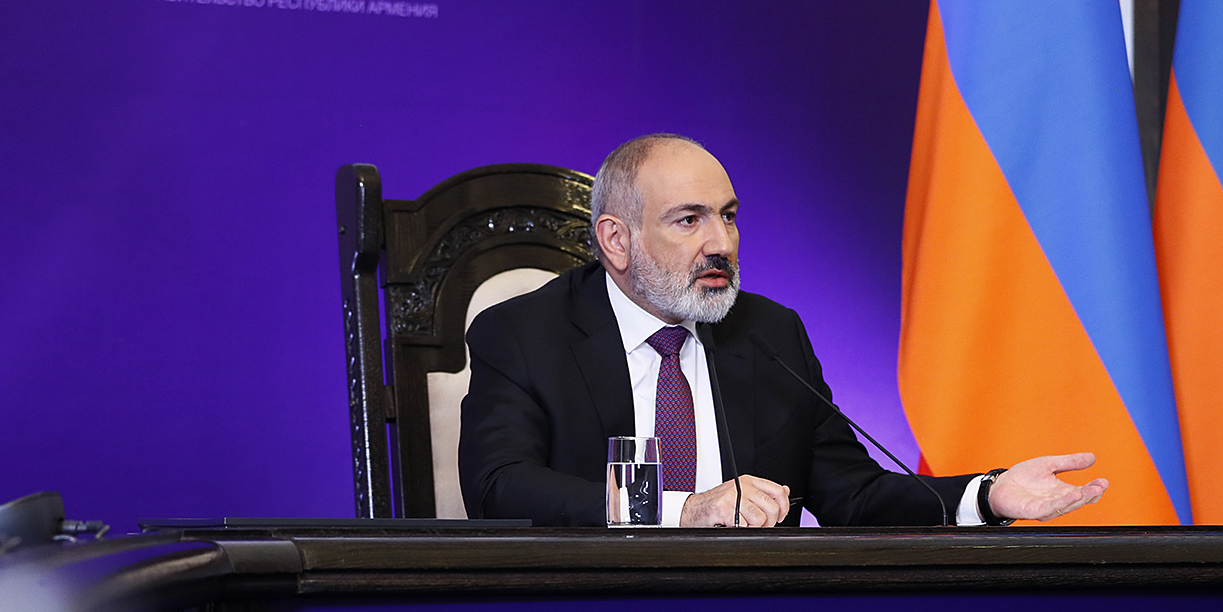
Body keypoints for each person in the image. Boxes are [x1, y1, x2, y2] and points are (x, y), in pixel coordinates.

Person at [458, 133, 1108, 528]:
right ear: (617, 240)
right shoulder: (524, 334)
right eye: (689, 220)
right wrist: (684, 510)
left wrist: (988, 495)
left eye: (729, 216)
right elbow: (500, 487)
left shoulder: (769, 334)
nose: (721, 243)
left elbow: (854, 494)